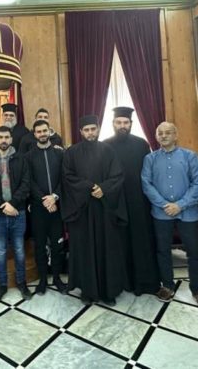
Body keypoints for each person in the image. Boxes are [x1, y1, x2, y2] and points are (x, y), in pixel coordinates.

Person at [141, 122, 198, 312]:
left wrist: (180, 205)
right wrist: (164, 204)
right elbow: (146, 184)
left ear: (176, 135)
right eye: (160, 133)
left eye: (168, 132)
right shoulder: (150, 159)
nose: (164, 136)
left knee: (193, 252)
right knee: (163, 251)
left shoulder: (190, 156)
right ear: (156, 136)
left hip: (187, 212)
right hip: (161, 212)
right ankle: (167, 286)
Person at [62, 115, 127, 306]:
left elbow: (118, 176)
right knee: (84, 250)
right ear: (81, 132)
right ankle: (87, 291)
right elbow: (67, 177)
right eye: (86, 130)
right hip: (82, 211)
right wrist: (90, 187)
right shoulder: (72, 153)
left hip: (104, 209)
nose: (90, 133)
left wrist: (103, 189)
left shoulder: (108, 151)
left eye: (93, 129)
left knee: (107, 249)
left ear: (98, 129)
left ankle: (109, 291)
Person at [103, 107, 160, 296]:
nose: (122, 126)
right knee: (120, 242)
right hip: (115, 201)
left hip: (138, 201)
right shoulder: (105, 146)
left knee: (141, 240)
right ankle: (123, 282)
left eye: (125, 123)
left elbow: (149, 173)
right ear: (113, 124)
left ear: (131, 124)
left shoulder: (142, 144)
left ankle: (143, 282)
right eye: (119, 122)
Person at [0, 126, 32, 303]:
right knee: (1, 251)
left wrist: (13, 204)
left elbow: (26, 183)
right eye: (0, 137)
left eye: (6, 137)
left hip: (18, 212)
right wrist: (3, 205)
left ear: (11, 139)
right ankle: (1, 286)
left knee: (19, 249)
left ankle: (22, 283)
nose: (4, 140)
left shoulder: (20, 158)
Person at [24, 120, 68, 295]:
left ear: (49, 131)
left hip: (57, 207)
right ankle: (43, 280)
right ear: (34, 134)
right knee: (40, 246)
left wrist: (54, 197)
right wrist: (45, 200)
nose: (42, 134)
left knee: (58, 245)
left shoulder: (59, 153)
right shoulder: (28, 156)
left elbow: (64, 178)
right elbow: (29, 181)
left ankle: (56, 278)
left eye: (44, 131)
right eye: (39, 131)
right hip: (38, 208)